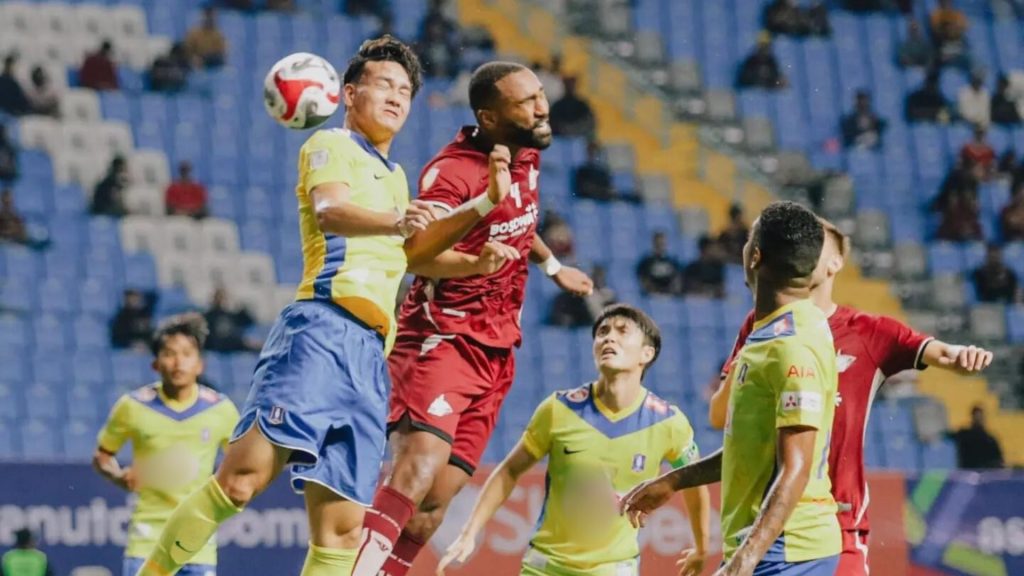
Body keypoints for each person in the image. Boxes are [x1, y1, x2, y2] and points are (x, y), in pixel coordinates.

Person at [135, 36, 507, 576]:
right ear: (348, 94)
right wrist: (398, 220)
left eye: (405, 90)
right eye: (384, 84)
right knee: (240, 482)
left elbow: (412, 256)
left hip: (371, 360)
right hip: (321, 333)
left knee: (342, 530)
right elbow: (331, 211)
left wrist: (477, 248)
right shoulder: (329, 145)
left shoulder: (396, 177)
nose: (396, 96)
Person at [349, 61, 594, 576]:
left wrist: (552, 266)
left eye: (540, 95)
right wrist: (476, 250)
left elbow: (518, 220)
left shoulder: (525, 152)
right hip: (442, 338)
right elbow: (415, 255)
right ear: (489, 117)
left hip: (497, 349)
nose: (542, 108)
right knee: (416, 471)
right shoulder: (453, 173)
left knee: (431, 510)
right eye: (526, 102)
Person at [709, 218, 993, 576]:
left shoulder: (869, 332)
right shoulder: (760, 325)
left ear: (835, 262)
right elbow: (719, 416)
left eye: (817, 243)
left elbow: (943, 354)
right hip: (768, 521)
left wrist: (964, 356)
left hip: (838, 521)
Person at [620, 201, 842, 575]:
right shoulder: (776, 330)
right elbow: (752, 448)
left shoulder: (792, 346)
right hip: (770, 546)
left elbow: (796, 467)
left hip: (787, 550)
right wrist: (673, 481)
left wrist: (747, 557)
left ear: (755, 256)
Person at [438, 304, 711, 576]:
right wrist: (469, 532)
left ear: (646, 354)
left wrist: (701, 548)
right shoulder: (559, 409)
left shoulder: (668, 422)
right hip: (545, 566)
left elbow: (694, 482)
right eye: (602, 332)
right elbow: (510, 471)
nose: (609, 338)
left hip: (614, 569)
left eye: (622, 331)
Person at [94, 314, 239, 576]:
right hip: (146, 539)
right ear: (155, 363)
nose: (178, 362)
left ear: (200, 364)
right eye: (169, 353)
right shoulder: (133, 406)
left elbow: (239, 463)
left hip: (197, 540)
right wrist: (116, 475)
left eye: (186, 354)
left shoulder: (221, 409)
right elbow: (102, 456)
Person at [203, 287, 256, 352]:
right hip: (217, 346)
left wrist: (238, 305)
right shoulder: (209, 316)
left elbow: (249, 321)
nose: (220, 300)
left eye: (222, 297)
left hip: (234, 346)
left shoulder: (231, 315)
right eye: (218, 297)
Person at [636, 231, 683, 295]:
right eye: (658, 244)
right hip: (652, 296)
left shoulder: (673, 262)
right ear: (653, 244)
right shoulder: (645, 263)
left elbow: (677, 281)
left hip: (670, 296)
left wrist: (670, 291)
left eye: (662, 244)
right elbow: (643, 281)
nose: (660, 246)